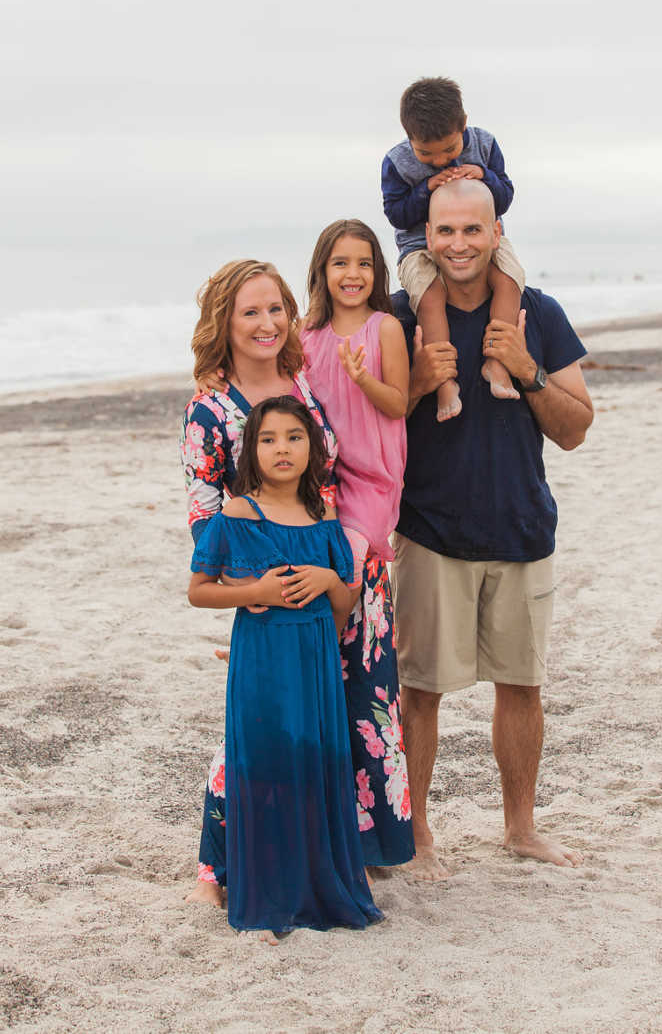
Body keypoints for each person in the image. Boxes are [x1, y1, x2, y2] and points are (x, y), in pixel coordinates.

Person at [181, 259, 412, 905]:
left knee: (352, 712)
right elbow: (205, 513)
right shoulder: (210, 409)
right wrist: (256, 591)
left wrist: (357, 544)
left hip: (343, 569)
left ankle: (344, 847)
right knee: (259, 727)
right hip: (274, 593)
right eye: (250, 311)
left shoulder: (303, 377)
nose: (266, 323)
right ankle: (217, 866)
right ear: (224, 322)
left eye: (276, 309)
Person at [391, 179, 594, 881]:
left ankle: (520, 828)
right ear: (427, 236)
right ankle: (417, 836)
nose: (458, 246)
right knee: (420, 691)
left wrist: (527, 370)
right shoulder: (402, 314)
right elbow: (368, 419)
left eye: (472, 232)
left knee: (522, 687)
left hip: (521, 526)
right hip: (428, 530)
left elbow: (576, 428)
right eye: (444, 233)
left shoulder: (539, 313)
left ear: (496, 233)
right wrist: (418, 381)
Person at [189, 396, 383, 934]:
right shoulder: (237, 514)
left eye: (294, 438)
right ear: (251, 449)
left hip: (316, 656)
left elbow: (344, 606)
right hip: (263, 657)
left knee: (312, 757)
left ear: (313, 449)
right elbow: (198, 591)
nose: (282, 449)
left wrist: (328, 582)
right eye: (269, 438)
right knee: (267, 758)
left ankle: (314, 880)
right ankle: (265, 882)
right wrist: (255, 590)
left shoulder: (324, 518)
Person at [381, 76, 524, 422]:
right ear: (408, 136)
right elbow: (395, 213)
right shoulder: (397, 163)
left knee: (510, 279)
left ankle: (497, 362)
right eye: (425, 153)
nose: (439, 160)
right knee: (429, 298)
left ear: (463, 126)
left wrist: (483, 175)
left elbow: (505, 195)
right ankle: (445, 382)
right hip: (419, 244)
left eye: (448, 149)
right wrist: (426, 189)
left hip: (480, 238)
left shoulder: (485, 145)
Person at [301, 218, 409, 587]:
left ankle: (326, 642)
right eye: (340, 263)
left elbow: (398, 404)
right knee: (302, 558)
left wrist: (363, 380)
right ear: (322, 271)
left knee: (348, 565)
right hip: (317, 474)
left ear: (377, 272)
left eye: (364, 263)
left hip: (370, 477)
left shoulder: (385, 328)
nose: (353, 273)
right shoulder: (306, 333)